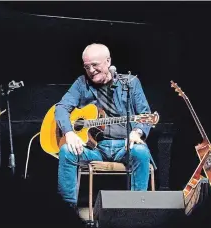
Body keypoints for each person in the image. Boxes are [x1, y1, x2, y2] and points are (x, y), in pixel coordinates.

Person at [54, 43, 156, 210]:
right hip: (94, 147)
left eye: (95, 65)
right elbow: (61, 108)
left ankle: (136, 211)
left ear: (108, 62)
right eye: (87, 67)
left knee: (141, 152)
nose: (91, 70)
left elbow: (146, 115)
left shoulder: (130, 83)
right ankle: (66, 212)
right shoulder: (81, 83)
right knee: (66, 151)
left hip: (125, 146)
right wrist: (69, 133)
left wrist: (137, 132)